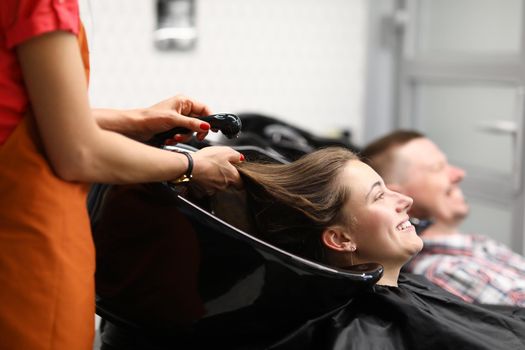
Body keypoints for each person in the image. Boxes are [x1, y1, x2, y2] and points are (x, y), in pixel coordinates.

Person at [0, 1, 243, 349]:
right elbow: (78, 152)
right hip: (28, 242)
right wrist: (193, 167)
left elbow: (29, 115)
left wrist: (139, 120)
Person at [236, 147, 525, 349]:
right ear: (340, 239)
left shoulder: (413, 290)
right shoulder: (358, 335)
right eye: (379, 196)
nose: (404, 200)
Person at [359, 130, 525, 306]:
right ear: (398, 197)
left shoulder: (478, 244)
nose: (459, 174)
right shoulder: (440, 271)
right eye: (437, 168)